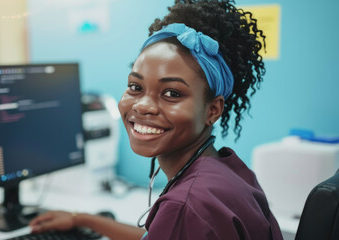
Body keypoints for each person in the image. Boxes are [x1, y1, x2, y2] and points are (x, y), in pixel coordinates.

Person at [30, 0, 284, 239]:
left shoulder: (186, 204)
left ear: (213, 110)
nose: (143, 106)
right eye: (135, 87)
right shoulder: (227, 171)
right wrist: (82, 220)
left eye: (172, 93)